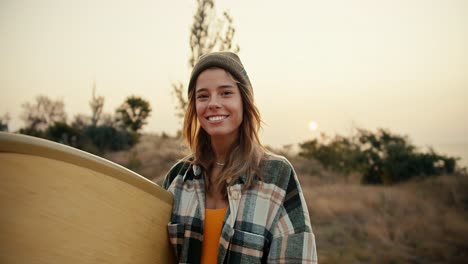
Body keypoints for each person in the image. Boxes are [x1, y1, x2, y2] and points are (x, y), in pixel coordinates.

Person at [163, 52, 317, 264]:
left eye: (226, 93)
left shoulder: (277, 176)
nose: (213, 103)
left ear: (244, 101)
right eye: (203, 96)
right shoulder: (177, 178)